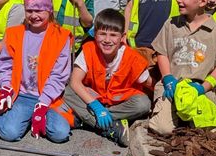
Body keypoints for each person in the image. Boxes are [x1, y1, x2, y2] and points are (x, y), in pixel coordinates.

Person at [148, 0, 216, 136]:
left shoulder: (215, 32)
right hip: (171, 88)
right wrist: (167, 77)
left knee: (210, 132)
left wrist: (204, 87)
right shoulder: (171, 24)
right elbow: (162, 52)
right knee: (162, 129)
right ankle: (175, 114)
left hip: (198, 89)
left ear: (202, 1)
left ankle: (186, 116)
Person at [0, 0, 74, 143]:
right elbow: (5, 66)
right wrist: (6, 87)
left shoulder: (61, 36)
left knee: (60, 134)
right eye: (30, 11)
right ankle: (1, 114)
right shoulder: (14, 33)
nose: (34, 15)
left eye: (39, 11)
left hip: (49, 98)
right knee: (9, 133)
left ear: (49, 10)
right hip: (21, 95)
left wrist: (43, 103)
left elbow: (59, 75)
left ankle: (30, 116)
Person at [64, 9, 151, 147]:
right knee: (66, 92)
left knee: (143, 104)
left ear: (122, 37)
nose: (107, 40)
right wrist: (96, 106)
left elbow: (150, 83)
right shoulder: (89, 49)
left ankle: (88, 121)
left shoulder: (132, 57)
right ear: (95, 34)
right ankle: (112, 127)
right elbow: (75, 82)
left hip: (119, 101)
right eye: (102, 34)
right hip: (93, 98)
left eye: (113, 35)